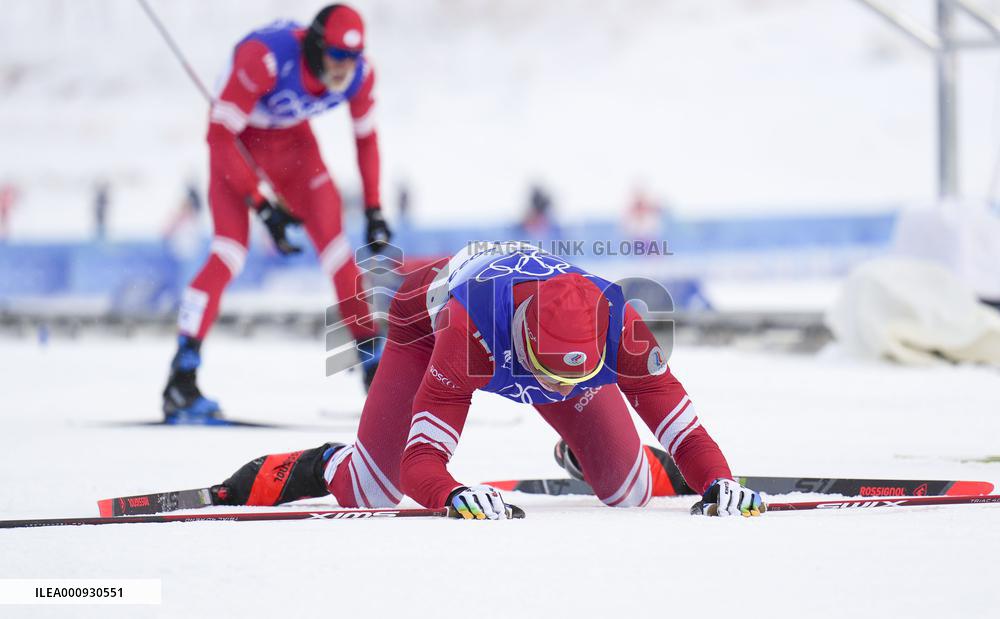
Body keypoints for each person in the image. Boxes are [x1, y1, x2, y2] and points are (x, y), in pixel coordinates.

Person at [206, 243, 764, 519]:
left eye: (582, 379)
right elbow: (420, 460)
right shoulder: (469, 328)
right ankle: (328, 462)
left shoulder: (616, 316)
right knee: (373, 492)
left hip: (538, 314)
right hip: (422, 322)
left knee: (628, 492)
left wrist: (718, 478)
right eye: (550, 377)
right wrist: (452, 495)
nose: (564, 392)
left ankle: (590, 454)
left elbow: (679, 415)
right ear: (523, 344)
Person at [163, 4, 392, 423]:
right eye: (337, 57)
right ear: (318, 46)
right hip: (238, 148)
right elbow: (217, 136)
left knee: (338, 250)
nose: (344, 69)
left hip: (295, 148)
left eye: (352, 59)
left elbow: (366, 138)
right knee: (228, 253)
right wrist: (261, 203)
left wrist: (375, 206)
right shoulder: (264, 58)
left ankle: (374, 372)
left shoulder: (360, 73)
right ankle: (181, 376)